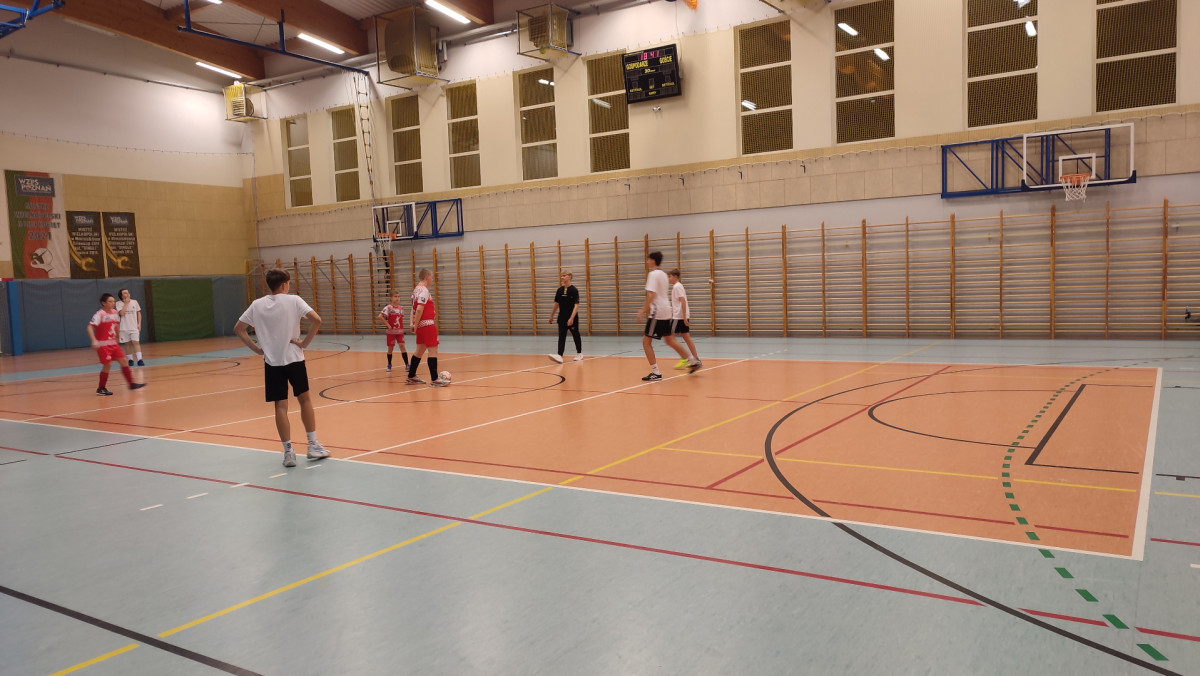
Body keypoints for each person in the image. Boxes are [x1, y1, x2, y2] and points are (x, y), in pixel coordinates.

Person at [234, 268, 330, 468]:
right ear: (285, 284)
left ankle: (288, 452)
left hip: (272, 362)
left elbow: (239, 329)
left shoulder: (257, 305)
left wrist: (256, 349)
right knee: (304, 399)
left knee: (280, 405)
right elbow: (317, 320)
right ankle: (313, 445)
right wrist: (304, 343)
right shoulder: (294, 300)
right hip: (294, 358)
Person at [636, 252, 697, 381]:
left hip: (657, 312)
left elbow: (652, 295)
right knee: (669, 340)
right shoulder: (664, 274)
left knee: (646, 342)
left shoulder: (653, 274)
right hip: (666, 310)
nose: (647, 262)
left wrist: (642, 311)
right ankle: (692, 360)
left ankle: (656, 372)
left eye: (648, 260)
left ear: (653, 260)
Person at [88, 293, 147, 396]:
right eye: (110, 301)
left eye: (113, 301)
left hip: (113, 343)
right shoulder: (99, 314)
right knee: (108, 364)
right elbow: (89, 327)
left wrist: (117, 336)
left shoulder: (114, 312)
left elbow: (115, 324)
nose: (113, 303)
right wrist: (94, 340)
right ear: (103, 303)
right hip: (103, 345)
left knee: (124, 360)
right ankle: (101, 388)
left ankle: (131, 384)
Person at [407, 268, 449, 386]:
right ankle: (435, 379)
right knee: (433, 350)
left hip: (420, 325)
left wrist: (413, 324)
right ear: (426, 277)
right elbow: (419, 309)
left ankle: (411, 376)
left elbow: (413, 309)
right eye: (431, 277)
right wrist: (415, 325)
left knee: (419, 350)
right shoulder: (424, 290)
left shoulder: (415, 291)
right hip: (427, 324)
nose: (432, 280)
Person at [668, 269, 702, 370]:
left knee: (670, 338)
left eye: (670, 276)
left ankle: (685, 357)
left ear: (675, 276)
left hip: (678, 317)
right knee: (687, 338)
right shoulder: (679, 286)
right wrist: (685, 316)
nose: (669, 279)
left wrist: (683, 317)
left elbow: (683, 301)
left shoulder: (677, 286)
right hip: (682, 316)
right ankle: (696, 359)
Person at [547, 271, 583, 363]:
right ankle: (560, 355)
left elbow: (576, 305)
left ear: (569, 277)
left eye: (564, 276)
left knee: (575, 335)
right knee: (561, 336)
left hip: (572, 318)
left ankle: (579, 353)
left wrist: (571, 318)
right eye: (561, 276)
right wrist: (551, 316)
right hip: (562, 317)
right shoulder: (559, 290)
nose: (562, 277)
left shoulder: (574, 290)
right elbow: (556, 304)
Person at [378, 291, 410, 372]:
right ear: (391, 298)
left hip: (400, 332)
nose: (397, 298)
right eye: (395, 296)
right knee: (390, 348)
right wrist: (388, 324)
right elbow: (380, 316)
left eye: (398, 296)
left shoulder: (401, 308)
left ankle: (407, 364)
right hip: (391, 332)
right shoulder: (388, 308)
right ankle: (389, 364)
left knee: (402, 346)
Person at [116, 288, 144, 367]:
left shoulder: (134, 302)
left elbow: (138, 313)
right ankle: (130, 360)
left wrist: (139, 324)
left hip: (134, 327)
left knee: (136, 342)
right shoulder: (118, 303)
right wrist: (126, 304)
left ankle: (140, 359)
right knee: (127, 344)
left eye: (128, 292)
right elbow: (121, 313)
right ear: (121, 295)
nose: (128, 294)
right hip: (124, 328)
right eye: (125, 293)